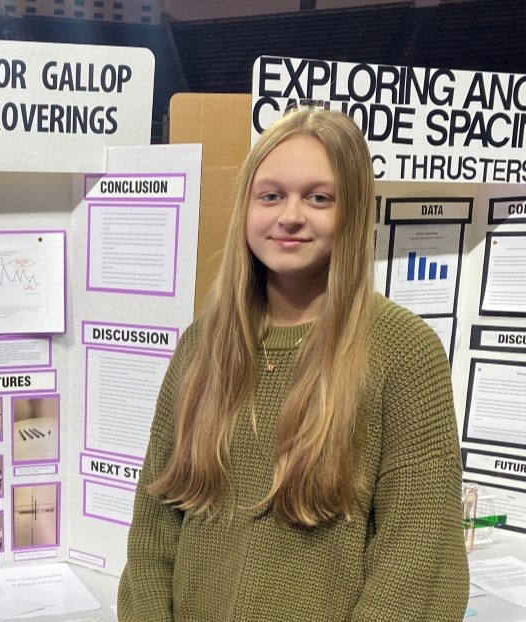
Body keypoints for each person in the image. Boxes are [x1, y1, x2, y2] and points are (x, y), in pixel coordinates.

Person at [118, 107, 468, 621]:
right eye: (272, 195)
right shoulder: (203, 345)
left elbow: (417, 557)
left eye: (319, 197)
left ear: (352, 210)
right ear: (247, 207)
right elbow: (155, 526)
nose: (290, 215)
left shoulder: (403, 352)